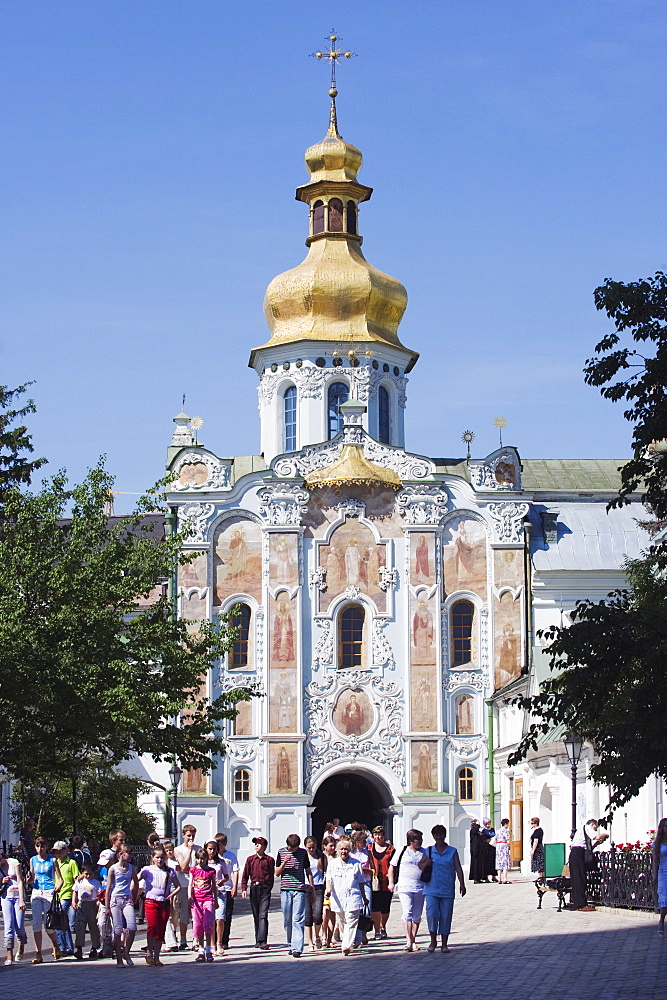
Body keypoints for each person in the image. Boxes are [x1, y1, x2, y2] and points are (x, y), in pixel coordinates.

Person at [419, 824, 466, 953]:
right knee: (432, 914)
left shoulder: (452, 851)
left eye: (441, 835)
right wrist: (426, 863)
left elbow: (458, 868)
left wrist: (462, 883)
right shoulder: (428, 851)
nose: (439, 837)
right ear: (433, 836)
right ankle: (433, 940)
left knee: (446, 916)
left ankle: (444, 943)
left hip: (447, 888)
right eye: (436, 835)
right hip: (431, 889)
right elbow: (420, 865)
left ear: (445, 836)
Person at [324, 839, 369, 956]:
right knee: (342, 921)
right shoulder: (333, 864)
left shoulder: (356, 863)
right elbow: (329, 879)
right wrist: (328, 891)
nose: (344, 851)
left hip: (353, 896)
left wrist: (364, 897)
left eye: (346, 849)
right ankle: (347, 942)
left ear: (349, 850)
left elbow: (361, 882)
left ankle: (346, 946)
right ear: (337, 851)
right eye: (342, 849)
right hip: (338, 897)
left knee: (351, 920)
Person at [139, 845, 179, 967]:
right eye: (157, 857)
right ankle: (149, 953)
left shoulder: (170, 871)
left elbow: (178, 886)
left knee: (161, 929)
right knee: (152, 926)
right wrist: (136, 891)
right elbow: (136, 880)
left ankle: (157, 956)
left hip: (164, 902)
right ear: (153, 858)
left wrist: (171, 895)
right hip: (151, 900)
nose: (160, 860)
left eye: (162, 858)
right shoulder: (147, 870)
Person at [275, 833, 315, 958]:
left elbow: (308, 871)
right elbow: (277, 873)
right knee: (287, 919)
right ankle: (290, 944)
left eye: (294, 848)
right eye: (290, 848)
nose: (292, 850)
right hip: (285, 890)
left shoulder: (302, 853)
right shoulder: (281, 852)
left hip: (299, 890)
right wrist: (284, 863)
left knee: (298, 919)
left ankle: (297, 947)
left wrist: (312, 889)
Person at [388, 829, 426, 952]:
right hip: (405, 886)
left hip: (420, 886)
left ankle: (413, 939)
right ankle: (409, 941)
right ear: (411, 841)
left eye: (421, 839)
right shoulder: (402, 851)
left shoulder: (424, 852)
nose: (420, 841)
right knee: (407, 912)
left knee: (417, 915)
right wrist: (391, 882)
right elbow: (392, 866)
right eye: (417, 839)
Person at [28, 836, 63, 963]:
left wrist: (57, 887)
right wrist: (29, 880)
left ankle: (55, 944)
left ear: (46, 847)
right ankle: (39, 953)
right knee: (36, 924)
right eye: (38, 846)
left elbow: (60, 878)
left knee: (48, 925)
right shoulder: (32, 860)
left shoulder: (52, 860)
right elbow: (32, 876)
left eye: (42, 846)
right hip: (37, 892)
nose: (40, 849)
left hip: (49, 892)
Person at [105, 844, 139, 967]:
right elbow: (108, 888)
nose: (130, 856)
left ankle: (126, 952)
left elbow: (135, 882)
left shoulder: (131, 868)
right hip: (115, 899)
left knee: (132, 927)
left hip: (127, 899)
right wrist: (107, 906)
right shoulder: (113, 869)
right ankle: (119, 958)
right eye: (128, 853)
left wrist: (134, 897)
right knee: (118, 929)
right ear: (121, 854)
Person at [241, 836, 275, 950]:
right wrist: (244, 888)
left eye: (259, 844)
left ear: (264, 846)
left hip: (265, 888)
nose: (256, 845)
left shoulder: (269, 860)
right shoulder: (250, 859)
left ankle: (263, 940)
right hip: (254, 887)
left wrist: (269, 887)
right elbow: (245, 874)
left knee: (263, 914)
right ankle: (258, 939)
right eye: (255, 843)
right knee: (256, 914)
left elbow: (271, 875)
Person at [567, 818, 608, 912]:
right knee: (579, 879)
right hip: (578, 854)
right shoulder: (587, 827)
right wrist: (605, 834)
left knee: (580, 878)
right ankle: (581, 904)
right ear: (593, 824)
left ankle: (579, 902)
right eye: (596, 828)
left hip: (576, 854)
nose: (596, 830)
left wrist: (598, 842)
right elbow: (597, 836)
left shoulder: (581, 832)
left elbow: (590, 846)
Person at [189, 847, 218, 962]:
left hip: (207, 899)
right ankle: (201, 949)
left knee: (208, 923)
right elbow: (191, 883)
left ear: (206, 859)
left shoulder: (210, 871)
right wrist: (189, 896)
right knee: (198, 924)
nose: (200, 861)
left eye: (202, 858)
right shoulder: (194, 870)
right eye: (198, 859)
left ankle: (208, 949)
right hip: (197, 900)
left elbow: (214, 886)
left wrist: (215, 899)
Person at [174, 824, 201, 949]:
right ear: (183, 835)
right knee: (183, 913)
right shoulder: (178, 849)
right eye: (188, 836)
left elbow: (199, 868)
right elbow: (184, 866)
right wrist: (190, 851)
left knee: (196, 913)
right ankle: (183, 940)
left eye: (193, 836)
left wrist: (190, 870)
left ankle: (195, 939)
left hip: (197, 885)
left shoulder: (199, 849)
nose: (191, 838)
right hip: (183, 885)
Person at [53, 840, 80, 956]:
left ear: (66, 851)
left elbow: (76, 879)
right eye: (55, 851)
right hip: (57, 895)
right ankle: (65, 946)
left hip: (67, 894)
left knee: (59, 920)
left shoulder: (72, 863)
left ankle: (65, 947)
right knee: (61, 922)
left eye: (60, 851)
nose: (58, 854)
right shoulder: (55, 862)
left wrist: (76, 896)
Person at [0, 847, 27, 965]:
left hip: (17, 896)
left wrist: (22, 900)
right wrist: (2, 881)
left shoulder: (14, 863)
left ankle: (21, 945)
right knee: (8, 925)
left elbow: (20, 880)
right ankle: (9, 955)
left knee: (19, 925)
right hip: (6, 897)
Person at [369, 825, 395, 939]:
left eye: (380, 834)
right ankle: (377, 930)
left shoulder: (391, 849)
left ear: (384, 835)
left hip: (386, 882)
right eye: (375, 835)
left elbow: (394, 865)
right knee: (375, 907)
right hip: (373, 882)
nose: (378, 837)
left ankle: (383, 925)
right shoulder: (369, 848)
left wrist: (393, 880)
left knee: (385, 907)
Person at [72, 862, 102, 960]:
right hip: (82, 904)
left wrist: (98, 902)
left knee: (93, 926)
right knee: (80, 926)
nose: (88, 876)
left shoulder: (96, 883)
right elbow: (75, 891)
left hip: (92, 905)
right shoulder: (80, 881)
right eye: (86, 874)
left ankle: (94, 947)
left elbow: (99, 894)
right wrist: (74, 901)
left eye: (90, 874)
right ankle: (79, 948)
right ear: (82, 873)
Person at [215, 833, 239, 949]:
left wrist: (235, 886)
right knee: (216, 916)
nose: (218, 848)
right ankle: (214, 939)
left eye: (219, 845)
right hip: (216, 890)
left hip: (228, 888)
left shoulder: (230, 856)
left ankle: (225, 940)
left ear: (224, 844)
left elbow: (235, 871)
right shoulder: (213, 857)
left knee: (227, 916)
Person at [207, 840, 231, 957]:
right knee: (211, 919)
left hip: (220, 892)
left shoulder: (221, 862)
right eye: (210, 849)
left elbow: (227, 876)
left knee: (220, 918)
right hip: (208, 893)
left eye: (214, 849)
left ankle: (219, 942)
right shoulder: (204, 862)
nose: (212, 851)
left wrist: (222, 881)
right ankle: (212, 944)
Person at [304, 836, 325, 951]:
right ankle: (310, 942)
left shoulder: (321, 857)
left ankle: (317, 935)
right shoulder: (304, 857)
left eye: (313, 847)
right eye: (309, 848)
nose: (311, 850)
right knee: (308, 916)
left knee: (317, 915)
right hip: (306, 887)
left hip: (319, 886)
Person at [320, 837, 338, 947]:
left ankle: (330, 939)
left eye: (333, 845)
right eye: (330, 845)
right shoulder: (321, 857)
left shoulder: (337, 857)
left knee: (332, 913)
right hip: (324, 886)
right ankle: (323, 935)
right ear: (324, 846)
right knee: (325, 911)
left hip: (335, 886)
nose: (333, 848)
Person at [652, 817, 667, 936]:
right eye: (665, 826)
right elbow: (655, 861)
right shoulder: (657, 844)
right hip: (663, 873)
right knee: (664, 900)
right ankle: (661, 920)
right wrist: (654, 875)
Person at [495, 818, 511, 883]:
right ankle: (505, 879)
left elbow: (495, 839)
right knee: (505, 862)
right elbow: (508, 840)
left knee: (499, 862)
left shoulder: (498, 831)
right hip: (504, 846)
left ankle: (499, 878)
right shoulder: (506, 831)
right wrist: (509, 846)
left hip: (498, 846)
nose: (508, 825)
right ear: (505, 824)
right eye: (508, 824)